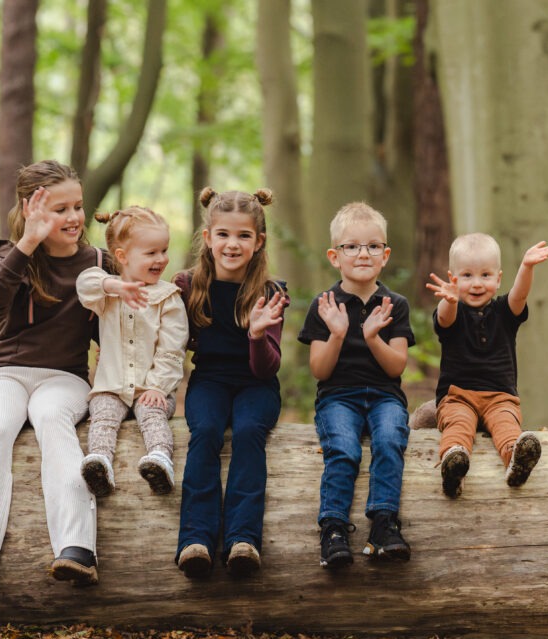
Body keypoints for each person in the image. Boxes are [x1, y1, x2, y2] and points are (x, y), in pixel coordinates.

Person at [0, 160, 106, 605]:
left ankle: (77, 548)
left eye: (77, 207)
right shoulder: (13, 256)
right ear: (31, 211)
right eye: (59, 209)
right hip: (5, 372)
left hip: (64, 378)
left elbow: (112, 334)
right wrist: (27, 242)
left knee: (51, 420)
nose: (72, 218)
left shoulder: (99, 263)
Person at [174, 187, 287, 579]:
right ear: (208, 239)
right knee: (204, 431)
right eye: (223, 234)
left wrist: (256, 335)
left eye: (243, 236)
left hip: (257, 385)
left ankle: (243, 538)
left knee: (247, 431)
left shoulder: (271, 293)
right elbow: (172, 343)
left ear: (259, 242)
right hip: (208, 381)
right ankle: (196, 539)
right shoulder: (187, 287)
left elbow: (267, 369)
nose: (232, 244)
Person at [298, 202, 415, 570]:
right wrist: (337, 334)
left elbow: (397, 365)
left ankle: (383, 523)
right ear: (335, 256)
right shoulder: (325, 304)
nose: (363, 253)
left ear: (385, 255)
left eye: (373, 246)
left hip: (385, 396)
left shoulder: (394, 304)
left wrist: (372, 338)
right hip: (338, 397)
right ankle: (333, 528)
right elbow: (320, 370)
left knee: (389, 438)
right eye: (352, 246)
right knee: (344, 449)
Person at [425, 232, 548, 498]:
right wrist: (448, 300)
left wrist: (526, 267)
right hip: (458, 396)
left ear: (498, 279)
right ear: (453, 278)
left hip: (501, 396)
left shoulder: (503, 313)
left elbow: (519, 297)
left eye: (485, 275)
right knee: (458, 425)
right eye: (466, 276)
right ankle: (454, 464)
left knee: (507, 425)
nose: (476, 284)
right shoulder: (454, 311)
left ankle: (516, 461)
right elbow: (444, 318)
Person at [76, 207, 188, 497]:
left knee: (152, 415)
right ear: (123, 256)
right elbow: (83, 284)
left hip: (151, 389)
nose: (161, 259)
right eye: (151, 253)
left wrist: (158, 387)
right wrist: (114, 284)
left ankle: (160, 459)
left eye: (164, 250)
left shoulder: (168, 298)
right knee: (101, 414)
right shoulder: (108, 295)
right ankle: (99, 463)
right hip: (111, 385)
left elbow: (172, 350)